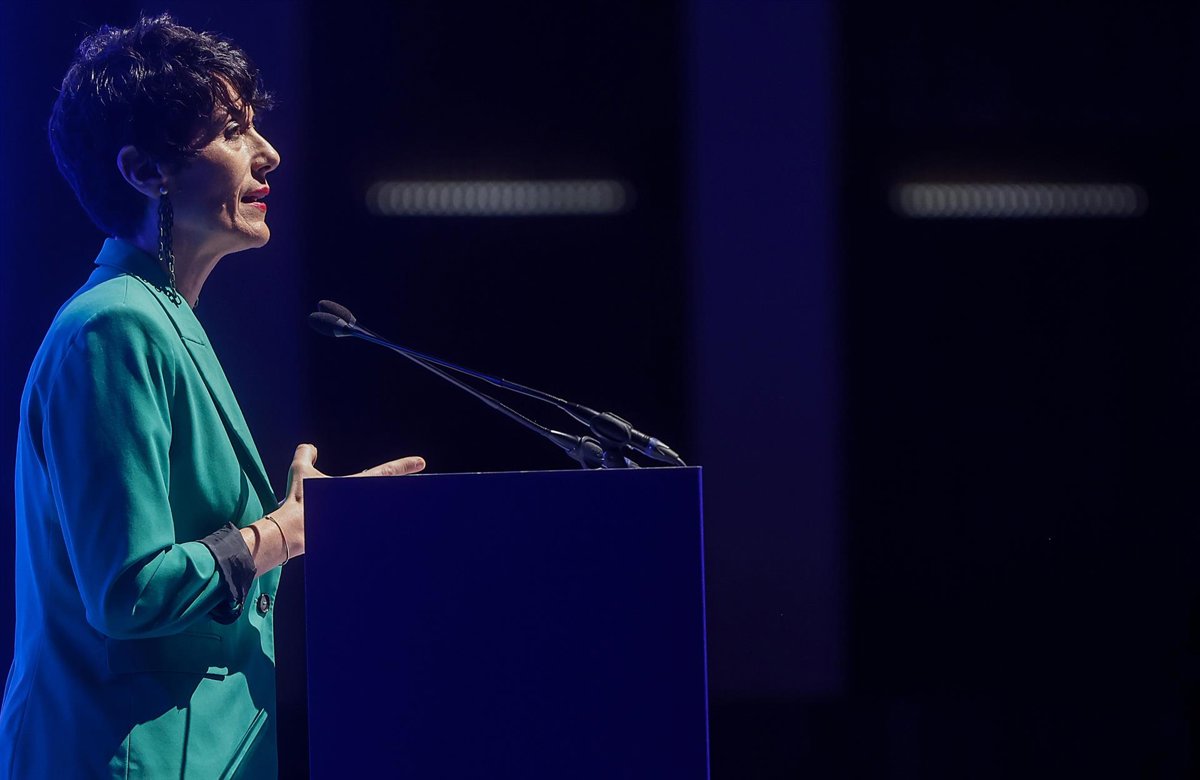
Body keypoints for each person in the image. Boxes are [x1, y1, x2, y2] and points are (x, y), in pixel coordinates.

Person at [0, 13, 424, 778]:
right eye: (233, 131)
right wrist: (290, 530)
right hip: (127, 757)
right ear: (145, 170)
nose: (269, 153)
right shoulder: (115, 325)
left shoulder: (160, 317)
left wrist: (298, 524)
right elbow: (130, 593)